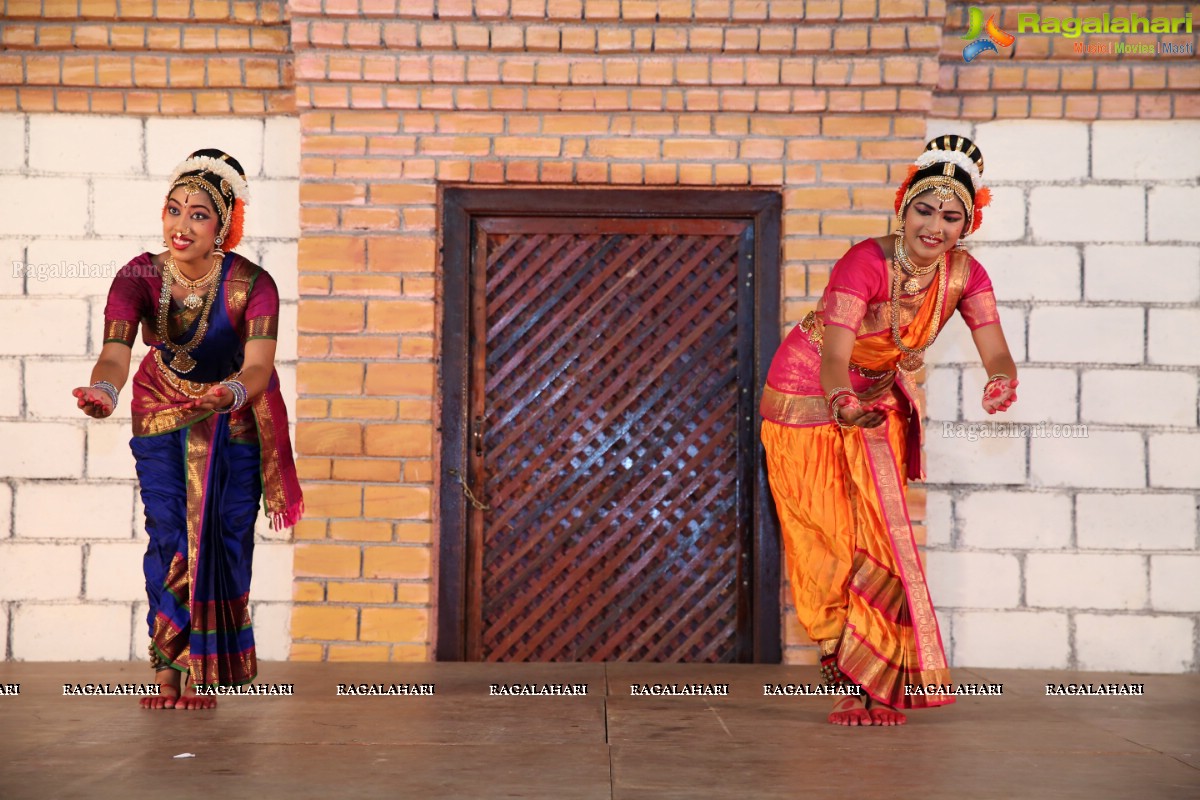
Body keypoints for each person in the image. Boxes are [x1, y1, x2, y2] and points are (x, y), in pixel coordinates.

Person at [760, 135, 1018, 726]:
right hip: (807, 393)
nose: (935, 226)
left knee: (883, 534)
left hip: (872, 398)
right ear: (904, 208)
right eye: (924, 211)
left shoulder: (964, 275)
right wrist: (840, 401)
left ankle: (876, 685)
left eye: (951, 216)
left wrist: (1001, 380)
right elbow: (834, 357)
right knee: (825, 539)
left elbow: (996, 349)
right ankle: (847, 679)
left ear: (967, 223)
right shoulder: (864, 262)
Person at [72, 149, 303, 710]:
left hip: (235, 411)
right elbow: (113, 355)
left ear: (223, 225)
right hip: (159, 408)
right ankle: (166, 670)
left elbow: (258, 366)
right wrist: (104, 389)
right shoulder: (140, 275)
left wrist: (232, 394)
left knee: (222, 534)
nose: (181, 224)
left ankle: (202, 672)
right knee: (171, 531)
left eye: (198, 214)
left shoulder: (253, 284)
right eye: (173, 209)